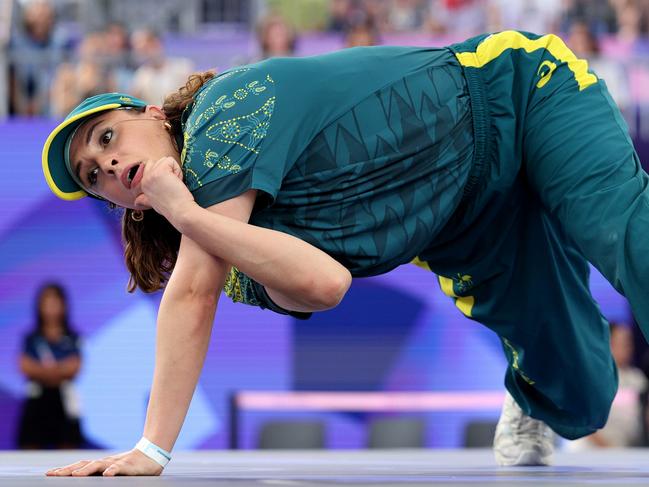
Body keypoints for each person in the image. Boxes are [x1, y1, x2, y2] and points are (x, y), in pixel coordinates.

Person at [41, 30, 649, 475]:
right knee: (583, 393)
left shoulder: (221, 113)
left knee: (626, 236)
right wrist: (190, 216)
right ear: (127, 207)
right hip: (467, 228)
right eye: (95, 176)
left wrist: (151, 449)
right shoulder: (222, 249)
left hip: (518, 94)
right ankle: (532, 390)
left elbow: (190, 292)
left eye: (107, 137)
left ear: (151, 113)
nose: (111, 165)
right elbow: (325, 285)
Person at [17, 283, 83, 449]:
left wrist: (42, 371)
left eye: (55, 302)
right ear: (39, 306)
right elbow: (25, 366)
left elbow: (75, 367)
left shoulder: (73, 337)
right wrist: (58, 371)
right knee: (29, 449)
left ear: (64, 306)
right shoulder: (31, 338)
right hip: (37, 400)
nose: (51, 308)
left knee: (68, 452)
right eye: (47, 303)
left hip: (64, 401)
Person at [568, 322, 647, 449]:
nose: (627, 347)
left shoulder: (637, 378)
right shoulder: (589, 376)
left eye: (629, 343)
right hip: (589, 452)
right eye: (622, 343)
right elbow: (580, 420)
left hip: (627, 454)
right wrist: (608, 448)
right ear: (607, 344)